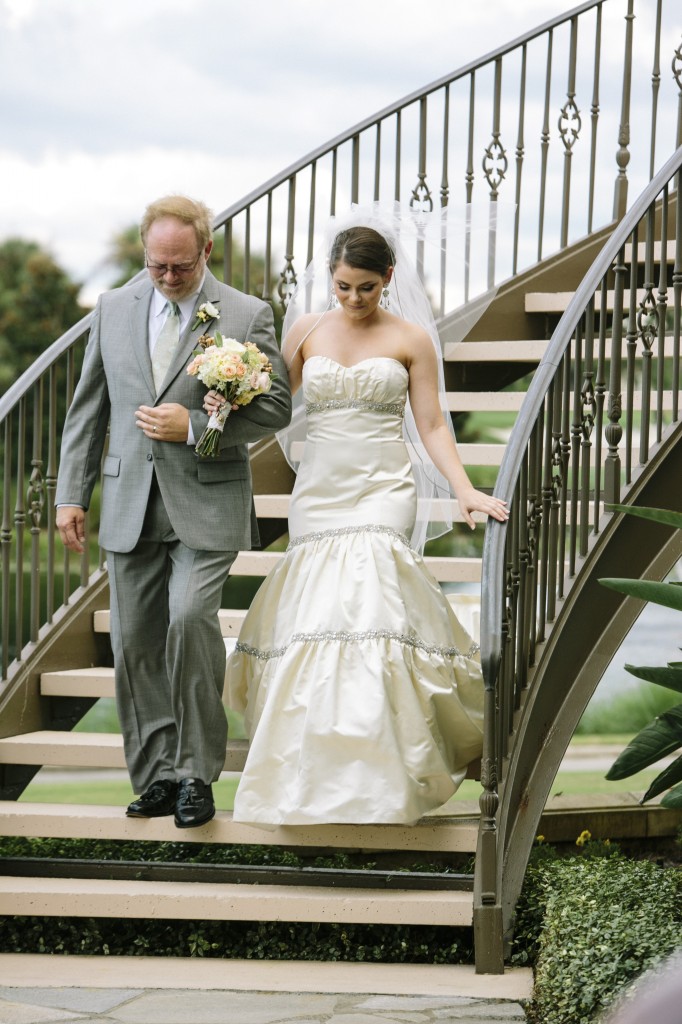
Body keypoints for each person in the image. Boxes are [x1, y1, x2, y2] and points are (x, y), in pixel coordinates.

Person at [216, 208, 509, 827]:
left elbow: (431, 423)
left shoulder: (410, 339)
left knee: (373, 606)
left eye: (366, 287)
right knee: (319, 616)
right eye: (343, 286)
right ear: (331, 277)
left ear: (388, 279)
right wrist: (218, 404)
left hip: (383, 485)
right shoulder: (305, 332)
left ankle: (383, 774)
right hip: (320, 487)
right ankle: (316, 772)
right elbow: (271, 406)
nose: (353, 299)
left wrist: (464, 489)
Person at [55, 194, 292, 828]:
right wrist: (70, 495)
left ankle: (195, 774)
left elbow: (274, 409)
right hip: (129, 500)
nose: (166, 278)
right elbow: (88, 411)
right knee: (135, 642)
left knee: (189, 620)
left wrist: (196, 426)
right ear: (145, 253)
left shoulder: (246, 313)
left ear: (205, 251)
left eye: (179, 267)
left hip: (206, 499)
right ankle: (156, 774)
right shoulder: (111, 309)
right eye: (156, 265)